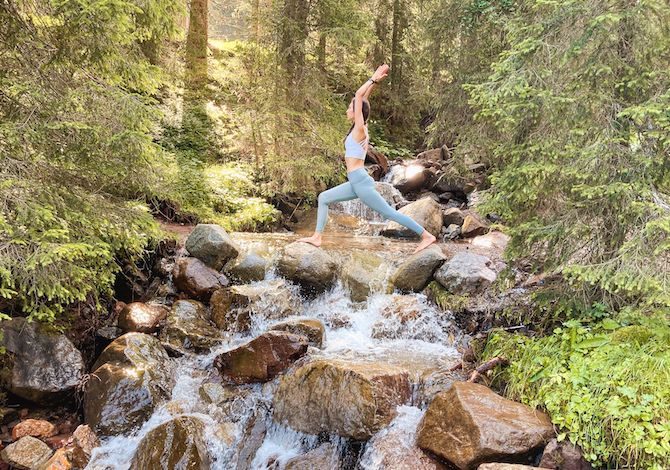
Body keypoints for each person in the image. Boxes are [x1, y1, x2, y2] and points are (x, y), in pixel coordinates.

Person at [297, 64, 437, 253]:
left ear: (357, 113)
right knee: (324, 198)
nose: (348, 110)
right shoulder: (358, 129)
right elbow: (363, 100)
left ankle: (426, 235)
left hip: (361, 182)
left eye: (350, 108)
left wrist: (372, 79)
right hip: (355, 182)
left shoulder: (359, 129)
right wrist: (374, 83)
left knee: (389, 213)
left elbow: (359, 97)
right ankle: (317, 237)